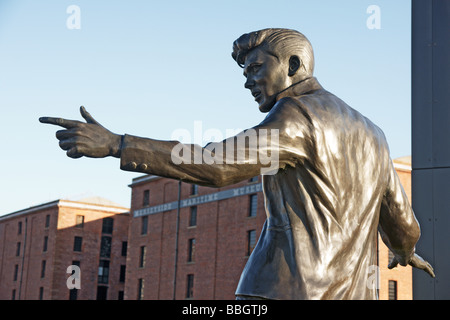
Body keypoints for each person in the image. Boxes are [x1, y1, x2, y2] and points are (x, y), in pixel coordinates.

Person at [40, 28, 434, 300]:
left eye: (257, 68)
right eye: (245, 72)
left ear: (294, 65)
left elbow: (216, 164)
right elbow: (402, 221)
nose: (248, 81)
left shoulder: (297, 117)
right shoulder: (375, 134)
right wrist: (404, 249)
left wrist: (116, 144)